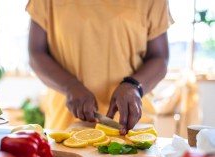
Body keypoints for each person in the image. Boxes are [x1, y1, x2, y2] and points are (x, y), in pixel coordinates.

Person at [26, 0, 174, 134]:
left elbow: (159, 57)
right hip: (65, 127)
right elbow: (36, 53)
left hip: (133, 127)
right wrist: (69, 86)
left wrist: (134, 86)